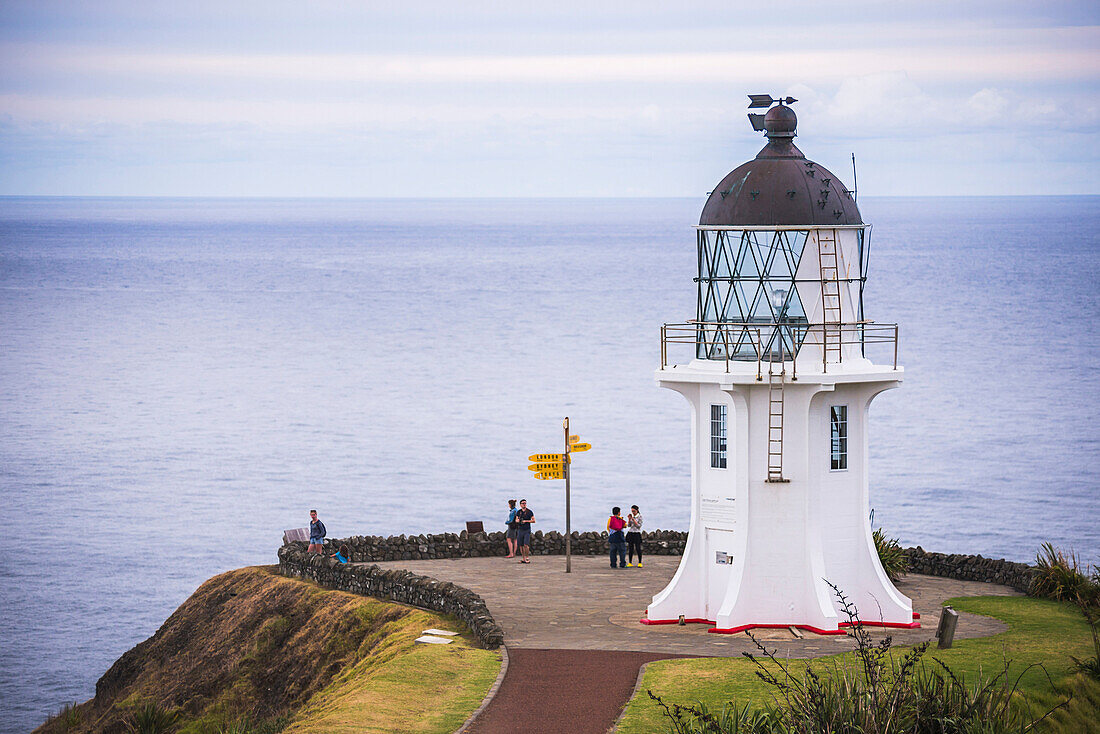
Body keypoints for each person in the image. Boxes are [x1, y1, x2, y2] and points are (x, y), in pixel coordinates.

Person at [514, 499, 535, 564]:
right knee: (521, 545)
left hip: (527, 530)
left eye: (525, 503)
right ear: (520, 505)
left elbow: (533, 520)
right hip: (520, 530)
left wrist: (526, 521)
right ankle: (523, 558)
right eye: (523, 503)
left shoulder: (529, 512)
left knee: (526, 544)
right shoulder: (519, 512)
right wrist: (518, 521)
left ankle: (527, 557)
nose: (524, 504)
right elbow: (516, 519)